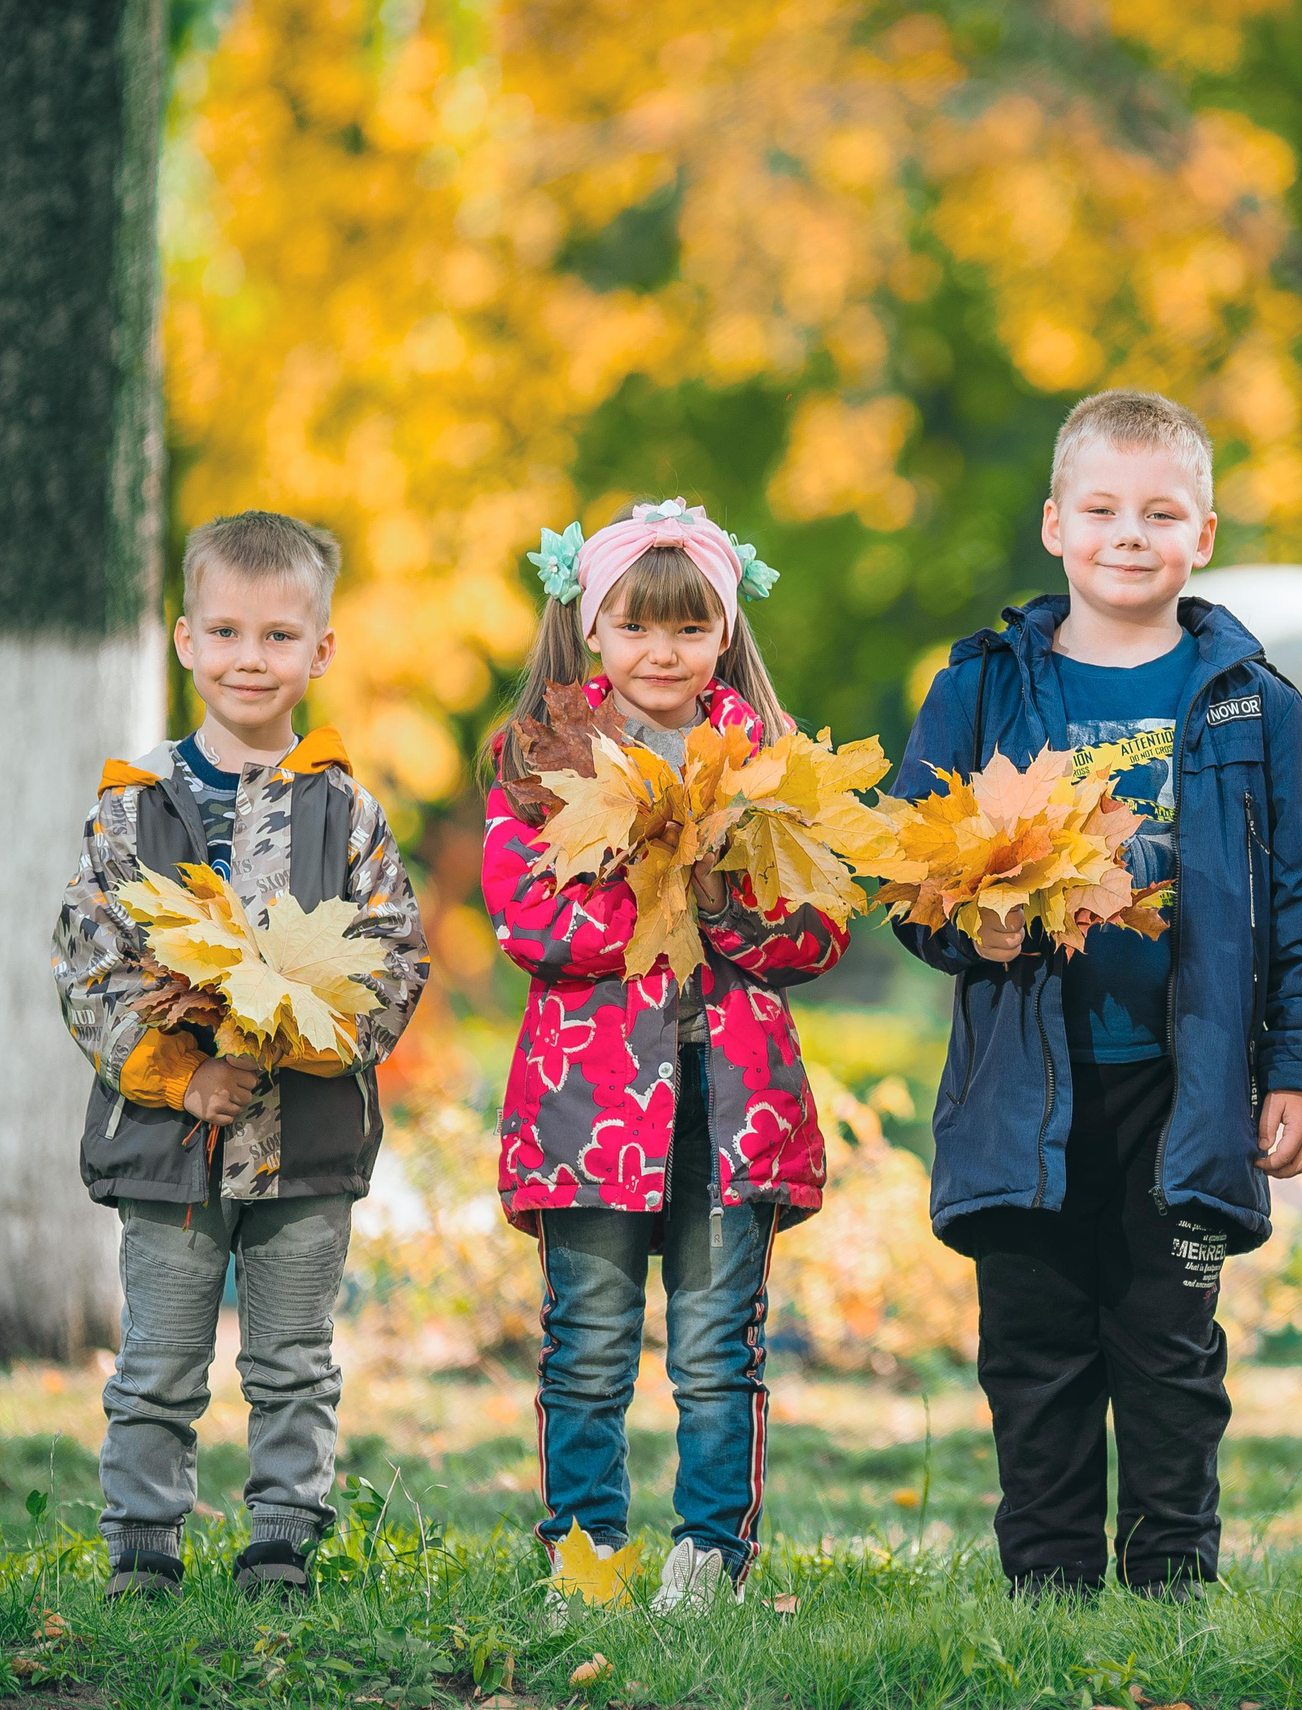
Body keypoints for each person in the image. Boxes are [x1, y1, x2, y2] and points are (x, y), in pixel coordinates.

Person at [891, 390, 1302, 1597]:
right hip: (1027, 1083)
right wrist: (970, 934)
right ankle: (1046, 1587)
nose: (1129, 535)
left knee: (1170, 1347)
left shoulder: (1251, 700)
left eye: (1160, 513)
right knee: (1035, 1347)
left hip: (1189, 1086)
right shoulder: (984, 691)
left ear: (1202, 534)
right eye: (1101, 509)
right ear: (1054, 524)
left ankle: (1172, 1583)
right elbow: (905, 869)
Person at [53, 511, 429, 1601]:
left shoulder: (344, 809)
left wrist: (308, 1042)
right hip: (170, 1149)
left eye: (276, 637)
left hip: (305, 1141)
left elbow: (392, 957)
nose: (248, 659)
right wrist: (181, 1072)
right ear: (184, 641)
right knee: (160, 1362)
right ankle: (142, 1548)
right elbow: (89, 963)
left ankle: (280, 1542)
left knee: (291, 1361)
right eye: (225, 633)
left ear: (320, 650)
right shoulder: (133, 805)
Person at [482, 499, 843, 1615]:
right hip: (588, 1101)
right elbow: (521, 915)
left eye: (689, 630)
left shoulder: (767, 762)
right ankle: (584, 1554)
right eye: (637, 626)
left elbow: (816, 926)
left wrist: (718, 904)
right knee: (586, 1346)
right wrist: (651, 895)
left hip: (731, 1108)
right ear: (595, 630)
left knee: (716, 1350)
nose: (663, 652)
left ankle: (708, 1559)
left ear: (724, 635)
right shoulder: (543, 757)